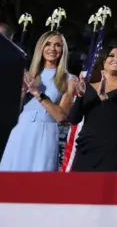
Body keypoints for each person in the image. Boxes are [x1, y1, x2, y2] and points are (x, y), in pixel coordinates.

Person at [0, 31, 78, 171]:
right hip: (20, 130)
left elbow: (61, 116)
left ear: (63, 50)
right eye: (48, 44)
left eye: (57, 45)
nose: (52, 49)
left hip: (45, 133)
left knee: (37, 181)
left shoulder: (69, 79)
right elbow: (10, 111)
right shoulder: (29, 74)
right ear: (40, 47)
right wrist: (22, 92)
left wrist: (37, 92)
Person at [67, 46, 117, 171]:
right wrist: (80, 96)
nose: (116, 59)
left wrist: (104, 97)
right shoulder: (87, 87)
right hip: (86, 146)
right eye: (112, 55)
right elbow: (73, 119)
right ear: (103, 60)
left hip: (112, 149)